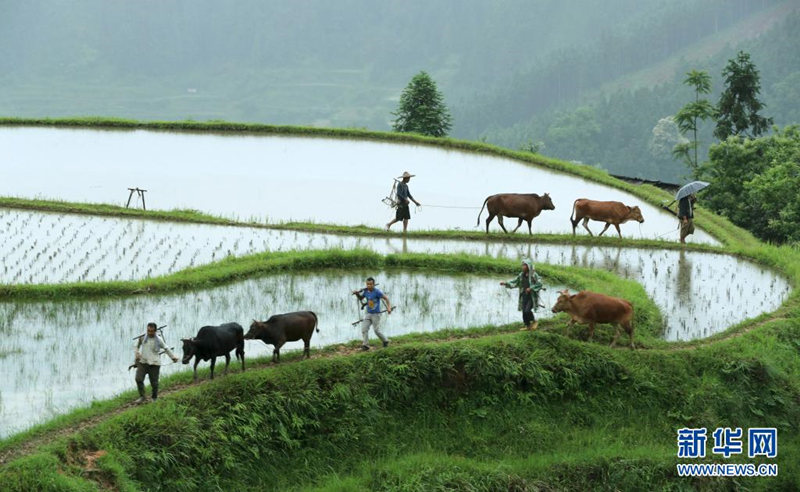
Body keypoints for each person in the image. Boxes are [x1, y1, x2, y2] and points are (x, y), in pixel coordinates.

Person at [133, 322, 178, 403]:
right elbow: (136, 345)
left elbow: (166, 348)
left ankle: (154, 398)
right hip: (143, 362)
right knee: (138, 379)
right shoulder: (143, 338)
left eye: (151, 331)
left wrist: (173, 357)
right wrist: (137, 352)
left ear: (155, 331)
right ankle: (142, 397)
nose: (149, 332)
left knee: (154, 383)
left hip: (154, 364)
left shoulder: (159, 340)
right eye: (148, 330)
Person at [500, 258, 543, 331]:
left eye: (525, 265)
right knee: (524, 311)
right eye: (522, 265)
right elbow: (515, 282)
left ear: (529, 266)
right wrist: (506, 283)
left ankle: (534, 321)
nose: (523, 267)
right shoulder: (521, 275)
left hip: (531, 296)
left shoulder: (534, 275)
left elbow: (540, 284)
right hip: (524, 295)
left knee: (527, 310)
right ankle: (527, 326)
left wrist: (531, 288)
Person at [352, 277, 393, 350]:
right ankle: (366, 345)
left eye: (370, 284)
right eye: (367, 284)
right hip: (368, 313)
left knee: (376, 330)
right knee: (364, 329)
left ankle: (385, 340)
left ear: (373, 284)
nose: (369, 286)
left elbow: (386, 298)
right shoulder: (366, 291)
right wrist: (357, 294)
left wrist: (389, 308)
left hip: (376, 314)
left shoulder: (377, 292)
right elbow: (361, 298)